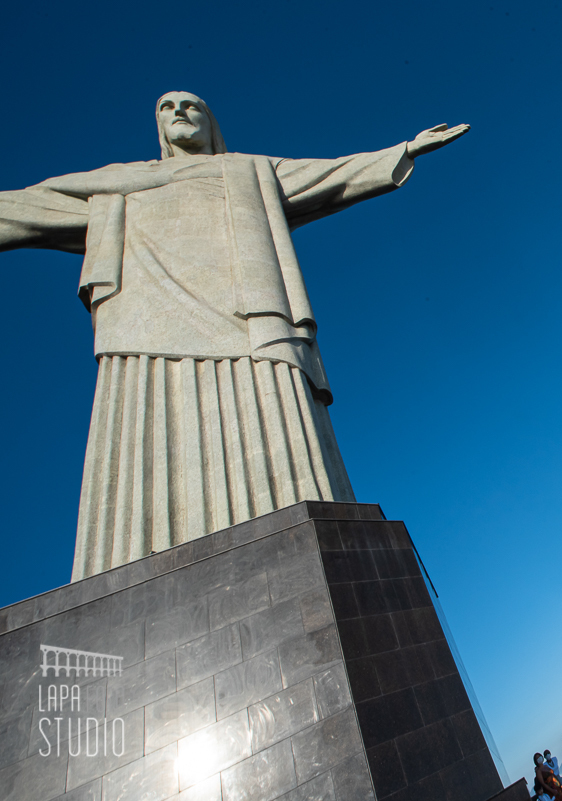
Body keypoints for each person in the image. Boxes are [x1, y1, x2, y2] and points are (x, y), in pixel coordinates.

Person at [0, 92, 468, 579]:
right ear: (158, 127)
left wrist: (405, 150)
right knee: (150, 436)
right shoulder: (115, 183)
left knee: (278, 426)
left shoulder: (250, 170)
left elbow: (331, 175)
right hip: (144, 330)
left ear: (211, 122)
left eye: (191, 105)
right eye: (167, 107)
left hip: (251, 320)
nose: (180, 111)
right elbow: (23, 206)